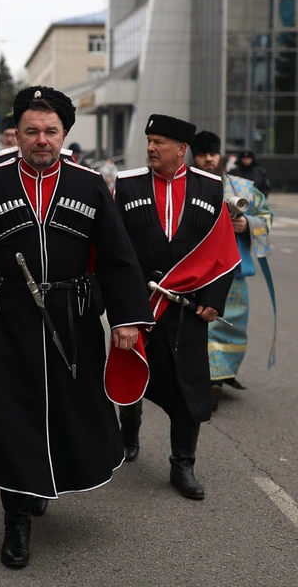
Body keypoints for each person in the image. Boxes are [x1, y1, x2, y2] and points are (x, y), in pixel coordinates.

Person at [0, 86, 153, 569]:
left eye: (50, 131)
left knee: (66, 411)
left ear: (64, 134)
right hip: (7, 319)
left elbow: (118, 258)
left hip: (73, 317)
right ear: (16, 134)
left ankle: (43, 481)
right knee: (11, 415)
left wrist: (125, 319)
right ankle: (16, 520)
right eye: (31, 131)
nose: (41, 140)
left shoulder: (90, 185)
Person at [115, 115, 240, 501]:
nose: (151, 148)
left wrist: (214, 300)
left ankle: (182, 464)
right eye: (149, 140)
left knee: (190, 388)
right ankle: (128, 435)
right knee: (132, 376)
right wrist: (121, 306)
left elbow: (223, 250)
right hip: (140, 304)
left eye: (160, 142)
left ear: (181, 149)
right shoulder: (127, 185)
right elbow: (115, 248)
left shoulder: (210, 188)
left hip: (188, 307)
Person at [190, 131, 276, 406]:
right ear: (194, 156)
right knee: (202, 326)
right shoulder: (186, 184)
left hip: (234, 271)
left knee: (232, 327)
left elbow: (265, 215)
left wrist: (247, 224)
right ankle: (208, 379)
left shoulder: (243, 188)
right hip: (197, 271)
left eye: (213, 154)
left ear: (220, 156)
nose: (208, 159)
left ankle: (221, 375)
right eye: (202, 155)